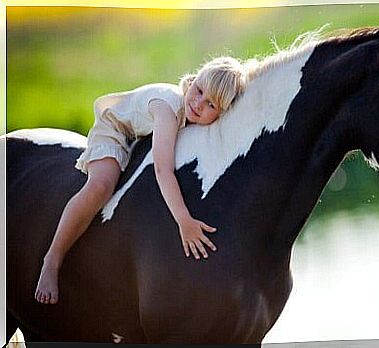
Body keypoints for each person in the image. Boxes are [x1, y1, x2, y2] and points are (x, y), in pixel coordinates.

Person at [35, 57, 246, 305]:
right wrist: (184, 220)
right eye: (199, 91)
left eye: (210, 104)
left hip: (139, 138)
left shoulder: (192, 115)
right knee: (101, 187)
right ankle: (52, 259)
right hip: (115, 131)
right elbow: (162, 170)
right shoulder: (168, 109)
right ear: (194, 80)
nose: (198, 104)